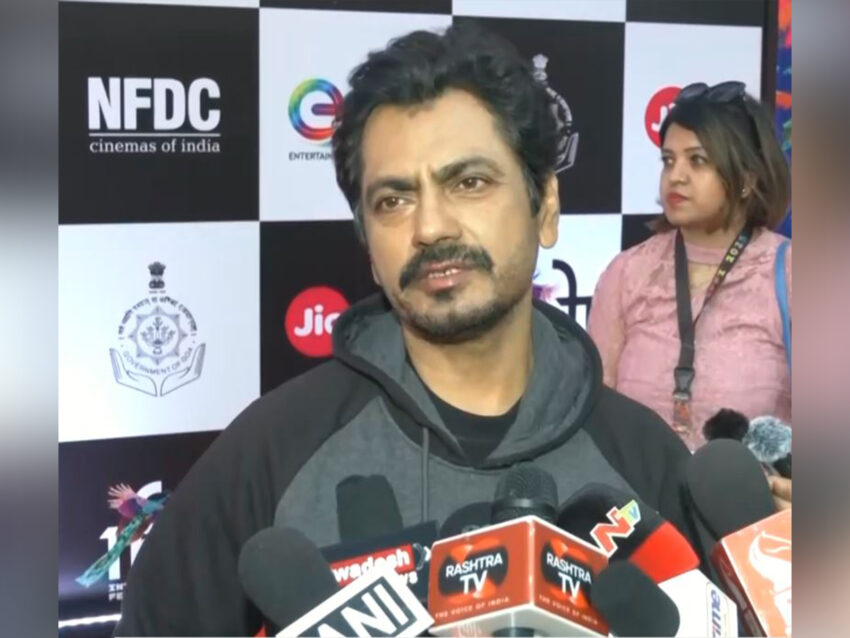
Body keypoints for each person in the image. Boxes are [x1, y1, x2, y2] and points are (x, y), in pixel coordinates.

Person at [115, 25, 702, 636]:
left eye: (469, 183)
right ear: (368, 245)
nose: (430, 227)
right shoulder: (267, 457)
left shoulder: (645, 462)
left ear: (546, 206)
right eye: (393, 201)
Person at [588, 81, 791, 452]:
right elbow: (594, 419)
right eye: (668, 160)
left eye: (697, 160)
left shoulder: (793, 274)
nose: (676, 176)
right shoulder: (627, 274)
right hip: (638, 489)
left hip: (759, 490)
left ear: (746, 180)